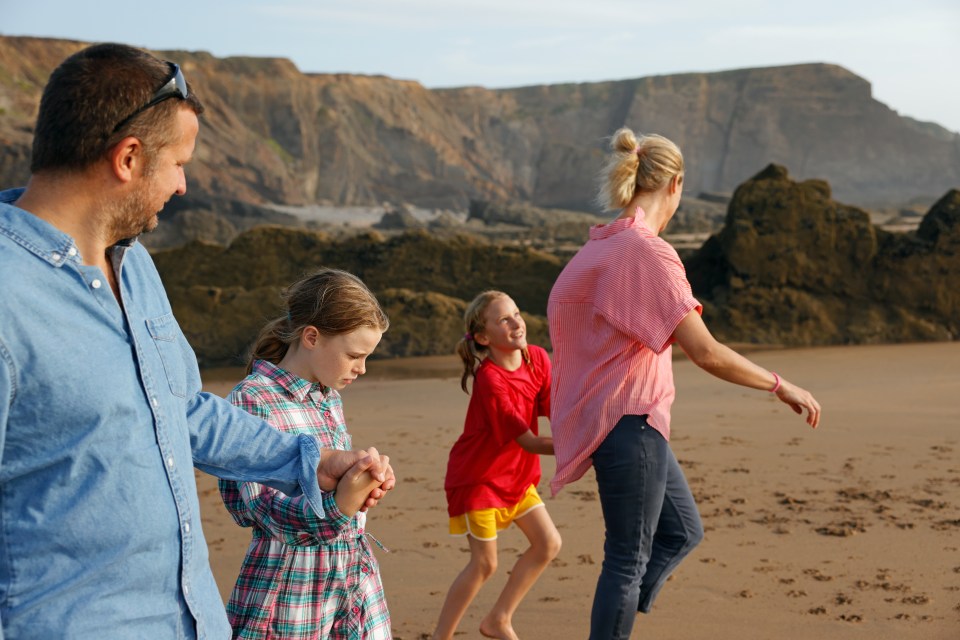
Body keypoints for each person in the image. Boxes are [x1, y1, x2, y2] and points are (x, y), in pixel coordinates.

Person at [0, 43, 393, 638]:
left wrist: (312, 462)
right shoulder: (9, 294)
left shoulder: (134, 268)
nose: (184, 186)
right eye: (179, 163)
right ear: (128, 158)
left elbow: (183, 410)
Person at [547, 127, 822, 639]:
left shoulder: (598, 250)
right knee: (627, 560)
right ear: (676, 183)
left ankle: (620, 617)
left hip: (619, 423)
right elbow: (707, 352)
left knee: (680, 533)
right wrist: (780, 384)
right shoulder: (643, 252)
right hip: (629, 425)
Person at [219, 268, 392, 639]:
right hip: (290, 594)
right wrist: (339, 507)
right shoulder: (252, 399)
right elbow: (257, 508)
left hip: (351, 580)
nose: (362, 368)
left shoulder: (329, 397)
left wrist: (365, 482)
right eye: (355, 355)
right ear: (312, 336)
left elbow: (331, 483)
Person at [432, 291, 562, 640]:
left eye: (516, 313)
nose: (516, 322)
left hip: (517, 477)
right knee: (485, 564)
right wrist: (583, 449)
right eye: (503, 319)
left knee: (547, 543)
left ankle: (498, 619)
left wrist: (593, 425)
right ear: (484, 337)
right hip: (479, 479)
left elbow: (557, 411)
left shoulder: (536, 358)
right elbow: (530, 441)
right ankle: (441, 636)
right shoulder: (490, 380)